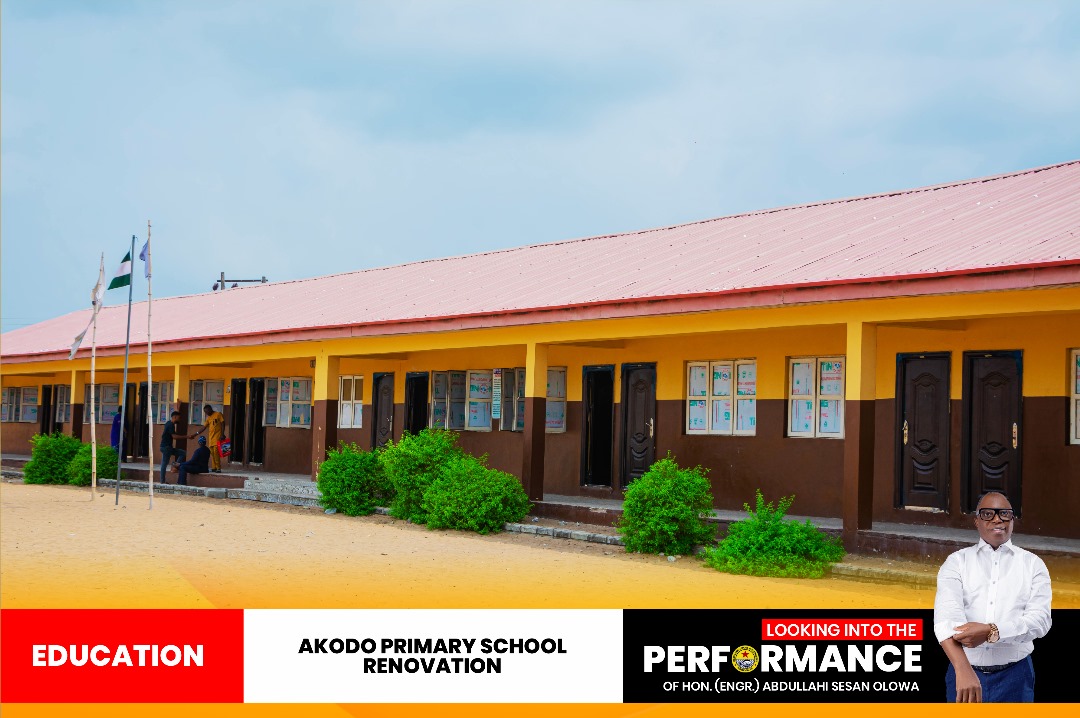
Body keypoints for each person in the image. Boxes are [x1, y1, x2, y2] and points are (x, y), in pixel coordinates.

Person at [933, 491, 1052, 703]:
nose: (997, 519)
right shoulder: (957, 562)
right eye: (988, 514)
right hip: (965, 673)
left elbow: (1040, 621)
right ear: (976, 521)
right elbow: (946, 622)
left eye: (1004, 513)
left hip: (1016, 676)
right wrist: (963, 670)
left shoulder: (1033, 564)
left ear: (1012, 519)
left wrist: (992, 631)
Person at [190, 404, 225, 473]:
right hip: (211, 438)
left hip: (217, 437)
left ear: (210, 409)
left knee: (216, 452)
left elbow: (223, 423)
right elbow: (203, 427)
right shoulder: (208, 418)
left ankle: (218, 468)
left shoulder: (218, 414)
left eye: (207, 411)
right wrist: (195, 434)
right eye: (205, 412)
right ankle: (214, 467)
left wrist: (222, 434)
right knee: (212, 453)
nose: (206, 413)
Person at [159, 410, 186, 481]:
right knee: (164, 464)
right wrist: (187, 437)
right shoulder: (170, 425)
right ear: (175, 417)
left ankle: (174, 465)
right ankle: (162, 480)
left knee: (182, 453)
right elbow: (174, 437)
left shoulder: (168, 423)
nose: (179, 419)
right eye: (179, 418)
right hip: (166, 447)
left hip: (167, 447)